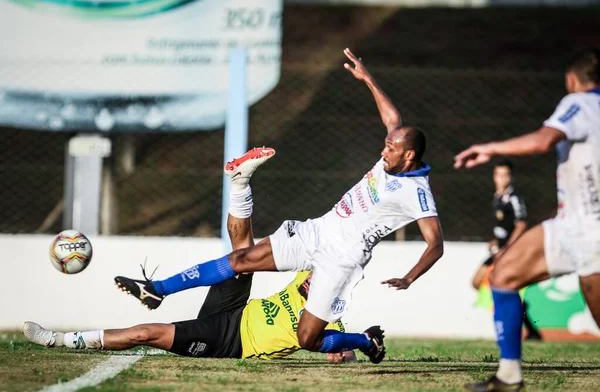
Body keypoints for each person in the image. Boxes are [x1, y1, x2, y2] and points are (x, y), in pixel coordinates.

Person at [115, 48, 444, 363]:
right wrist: (368, 79)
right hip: (318, 230)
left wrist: (410, 277)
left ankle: (364, 340)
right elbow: (393, 119)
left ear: (409, 155)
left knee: (307, 339)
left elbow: (435, 244)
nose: (384, 151)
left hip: (340, 258)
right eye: (386, 145)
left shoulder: (417, 193)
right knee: (241, 259)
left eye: (390, 148)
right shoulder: (396, 151)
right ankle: (157, 289)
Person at [23, 150, 356, 363]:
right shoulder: (305, 277)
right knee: (244, 257)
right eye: (315, 273)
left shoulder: (327, 317)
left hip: (229, 343)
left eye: (320, 280)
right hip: (235, 310)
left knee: (145, 334)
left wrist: (348, 352)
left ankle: (57, 340)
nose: (312, 277)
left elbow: (340, 351)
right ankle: (240, 183)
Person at [455, 47, 600, 392]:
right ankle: (508, 376)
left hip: (590, 230)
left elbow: (543, 140)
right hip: (571, 225)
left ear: (571, 80)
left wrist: (491, 148)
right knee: (502, 275)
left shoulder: (579, 103)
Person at [471, 160, 542, 341]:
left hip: (508, 251)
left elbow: (521, 224)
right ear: (494, 177)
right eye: (498, 175)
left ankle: (517, 326)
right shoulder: (497, 197)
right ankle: (518, 311)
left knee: (502, 286)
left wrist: (507, 248)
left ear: (511, 177)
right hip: (498, 249)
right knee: (477, 282)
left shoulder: (514, 197)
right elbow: (504, 226)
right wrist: (495, 241)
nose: (502, 179)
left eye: (505, 175)